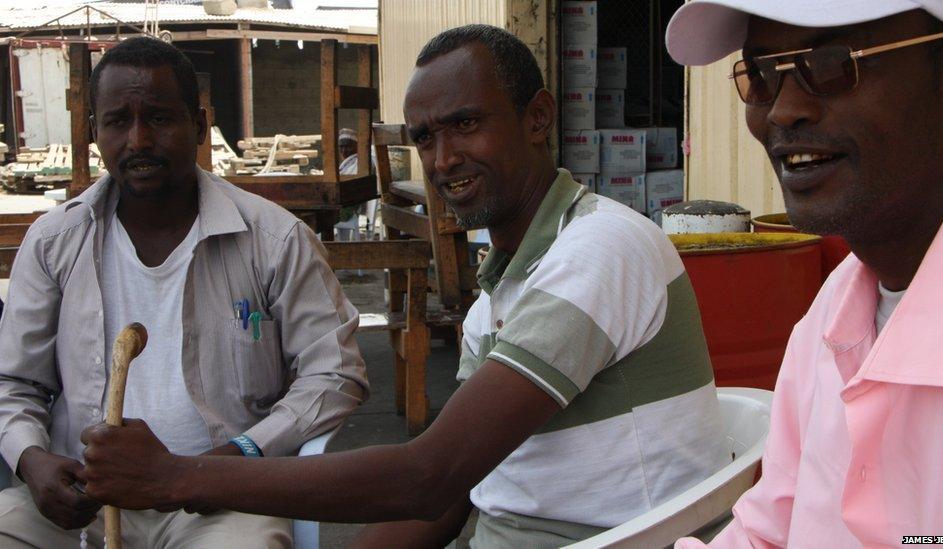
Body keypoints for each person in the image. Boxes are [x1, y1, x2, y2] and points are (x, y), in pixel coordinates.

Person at [78, 25, 728, 547]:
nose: (443, 159)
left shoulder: (602, 246)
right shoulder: (499, 296)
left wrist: (178, 476)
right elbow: (453, 492)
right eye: (425, 137)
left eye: (466, 124)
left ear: (537, 118)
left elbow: (428, 474)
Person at [0, 37, 368, 547]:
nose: (138, 140)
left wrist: (242, 454)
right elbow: (13, 383)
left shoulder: (274, 239)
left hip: (220, 500)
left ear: (199, 126)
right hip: (82, 499)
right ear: (93, 132)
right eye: (117, 122)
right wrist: (33, 460)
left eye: (159, 118)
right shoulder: (53, 242)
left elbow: (335, 371)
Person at [664, 1, 943, 546]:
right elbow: (768, 530)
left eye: (834, 63)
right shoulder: (835, 311)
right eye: (761, 75)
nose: (783, 111)